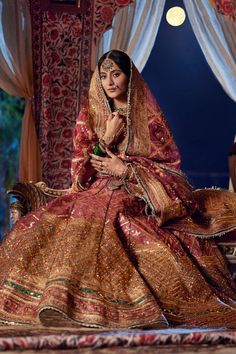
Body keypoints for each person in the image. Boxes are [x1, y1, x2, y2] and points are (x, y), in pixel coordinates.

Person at [0, 50, 236, 329]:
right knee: (46, 222)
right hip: (94, 190)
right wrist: (107, 139)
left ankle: (110, 307)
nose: (109, 81)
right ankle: (58, 299)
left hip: (134, 192)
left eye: (116, 74)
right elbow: (80, 171)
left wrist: (126, 170)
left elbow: (170, 170)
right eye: (103, 76)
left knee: (115, 216)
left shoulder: (148, 119)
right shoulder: (91, 116)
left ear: (129, 77)